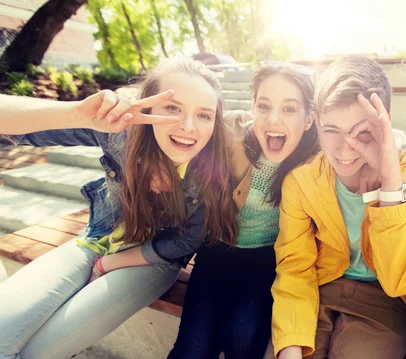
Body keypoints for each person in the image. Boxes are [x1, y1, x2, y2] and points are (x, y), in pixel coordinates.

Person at [0, 58, 237, 359]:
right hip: (94, 242)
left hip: (153, 260)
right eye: (173, 108)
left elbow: (184, 243)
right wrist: (77, 113)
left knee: (34, 353)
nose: (188, 127)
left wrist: (108, 265)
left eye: (204, 115)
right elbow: (16, 131)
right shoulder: (120, 134)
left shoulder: (214, 168)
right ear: (147, 107)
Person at [272, 56, 406, 359]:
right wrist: (290, 345)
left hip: (383, 301)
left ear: (384, 122)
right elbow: (295, 269)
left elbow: (402, 280)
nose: (346, 148)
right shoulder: (302, 182)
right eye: (331, 130)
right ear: (317, 123)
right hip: (317, 292)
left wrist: (389, 185)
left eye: (362, 131)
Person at [168, 62, 319, 359]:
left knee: (245, 339)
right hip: (216, 249)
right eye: (264, 106)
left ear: (309, 118)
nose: (273, 119)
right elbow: (191, 122)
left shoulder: (316, 162)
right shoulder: (230, 136)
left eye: (289, 109)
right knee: (193, 348)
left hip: (267, 259)